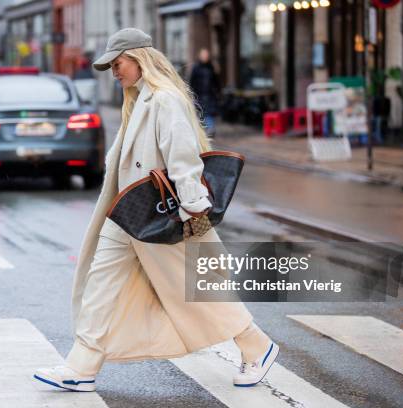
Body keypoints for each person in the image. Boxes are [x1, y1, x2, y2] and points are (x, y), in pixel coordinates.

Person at [34, 28, 278, 392]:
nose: (115, 73)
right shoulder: (139, 99)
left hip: (160, 215)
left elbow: (183, 157)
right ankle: (82, 365)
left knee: (192, 290)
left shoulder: (164, 100)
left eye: (118, 64)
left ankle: (256, 344)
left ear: (139, 59)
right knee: (101, 285)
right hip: (128, 213)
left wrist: (194, 209)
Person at [189, 48, 220, 137]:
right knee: (201, 112)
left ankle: (210, 128)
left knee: (209, 112)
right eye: (203, 55)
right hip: (199, 94)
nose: (205, 57)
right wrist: (192, 94)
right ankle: (205, 129)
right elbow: (192, 81)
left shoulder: (211, 67)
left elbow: (216, 81)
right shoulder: (196, 67)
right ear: (200, 56)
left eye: (206, 55)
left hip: (210, 95)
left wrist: (218, 92)